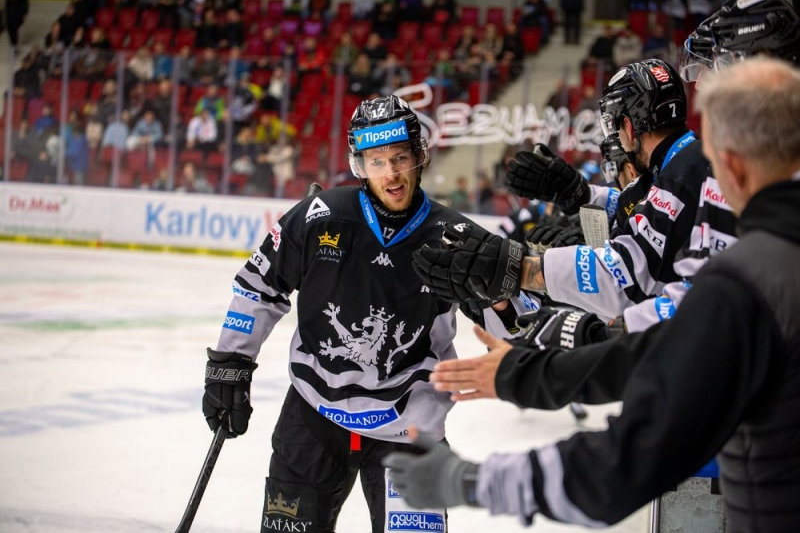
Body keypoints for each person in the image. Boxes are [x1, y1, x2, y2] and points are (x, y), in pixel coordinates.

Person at [384, 56, 800, 532]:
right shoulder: (743, 246)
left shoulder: (737, 278)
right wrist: (580, 197)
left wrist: (527, 276)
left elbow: (635, 280)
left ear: (728, 166)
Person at [200, 94, 530, 533]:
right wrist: (230, 364)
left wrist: (504, 297)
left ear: (419, 158)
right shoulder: (320, 218)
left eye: (400, 158)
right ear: (360, 165)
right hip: (313, 413)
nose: (391, 173)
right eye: (377, 161)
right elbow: (259, 287)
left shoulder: (457, 238)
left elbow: (517, 334)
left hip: (409, 425)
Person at [413, 59, 707, 323]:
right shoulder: (679, 166)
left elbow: (624, 281)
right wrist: (579, 194)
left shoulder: (678, 178)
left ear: (628, 126)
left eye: (614, 127)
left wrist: (517, 269)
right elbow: (632, 205)